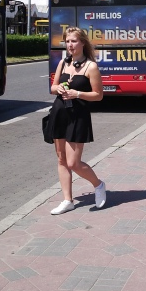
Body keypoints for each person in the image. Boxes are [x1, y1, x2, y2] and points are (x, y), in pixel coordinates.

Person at [47, 27, 106, 214]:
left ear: (82, 43)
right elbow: (53, 87)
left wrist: (77, 93)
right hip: (60, 113)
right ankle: (67, 200)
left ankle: (98, 185)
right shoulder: (63, 63)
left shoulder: (91, 67)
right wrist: (60, 90)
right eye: (67, 41)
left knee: (74, 162)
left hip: (78, 116)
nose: (70, 45)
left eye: (73, 41)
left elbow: (98, 95)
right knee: (61, 159)